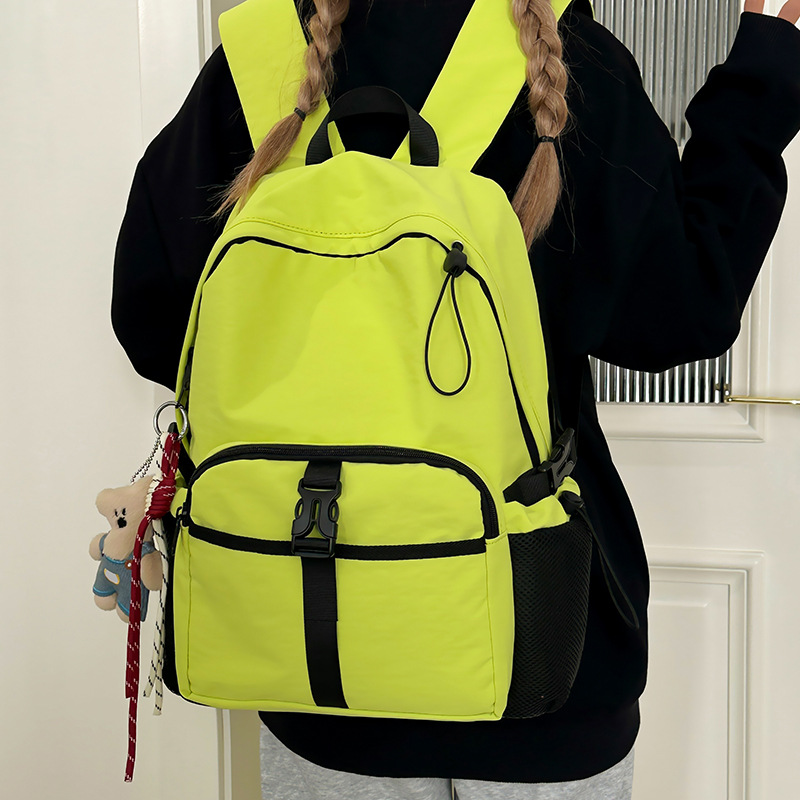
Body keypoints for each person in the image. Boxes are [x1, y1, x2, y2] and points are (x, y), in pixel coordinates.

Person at [111, 0, 800, 797]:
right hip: (543, 656)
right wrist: (764, 81)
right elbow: (682, 311)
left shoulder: (260, 58)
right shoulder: (569, 60)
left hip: (315, 646)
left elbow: (153, 324)